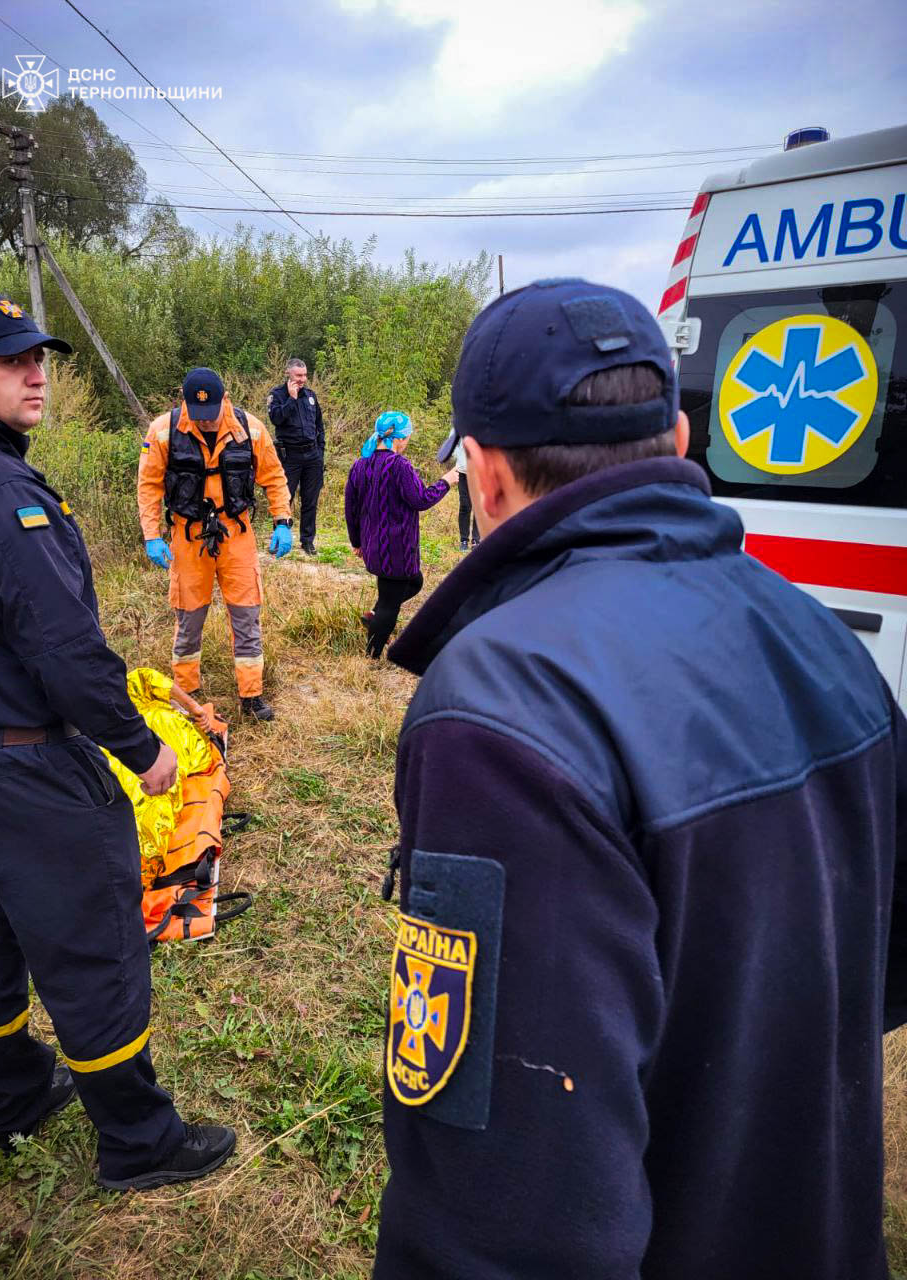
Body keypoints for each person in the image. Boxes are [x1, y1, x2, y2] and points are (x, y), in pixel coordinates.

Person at [373, 278, 907, 1279]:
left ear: (483, 477)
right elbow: (879, 966)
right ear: (681, 436)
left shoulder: (502, 704)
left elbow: (507, 1207)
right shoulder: (826, 639)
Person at [0, 291, 235, 1190]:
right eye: (10, 360)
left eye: (39, 356)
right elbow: (65, 650)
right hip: (26, 762)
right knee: (93, 947)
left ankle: (12, 1100)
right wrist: (141, 748)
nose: (35, 374)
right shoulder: (0, 493)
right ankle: (141, 1142)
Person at [137, 367, 292, 723]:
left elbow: (273, 476)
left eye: (211, 413)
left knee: (246, 617)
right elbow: (149, 485)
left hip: (236, 534)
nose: (205, 420)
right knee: (188, 619)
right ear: (184, 401)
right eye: (198, 413)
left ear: (225, 400)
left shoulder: (251, 429)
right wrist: (152, 535)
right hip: (188, 537)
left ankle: (251, 696)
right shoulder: (163, 431)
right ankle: (186, 695)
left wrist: (282, 521)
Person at [344, 411, 456, 659]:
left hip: (373, 545)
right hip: (397, 548)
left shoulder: (360, 464)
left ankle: (374, 615)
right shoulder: (399, 466)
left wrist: (357, 541)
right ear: (398, 438)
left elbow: (350, 507)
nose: (407, 442)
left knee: (414, 582)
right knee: (390, 604)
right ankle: (371, 657)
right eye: (407, 438)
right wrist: (446, 482)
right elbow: (421, 500)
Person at [267, 358, 325, 555]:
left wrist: (320, 452)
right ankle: (279, 538)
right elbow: (276, 418)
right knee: (284, 498)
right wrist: (291, 399)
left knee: (310, 500)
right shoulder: (277, 395)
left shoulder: (310, 396)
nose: (302, 379)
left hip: (312, 455)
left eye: (305, 375)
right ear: (288, 374)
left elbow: (319, 425)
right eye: (298, 375)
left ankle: (307, 541)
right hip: (290, 455)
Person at [453, 438, 479, 551]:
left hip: (480, 474)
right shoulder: (460, 429)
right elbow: (453, 446)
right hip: (463, 473)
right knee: (465, 505)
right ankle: (464, 540)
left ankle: (476, 540)